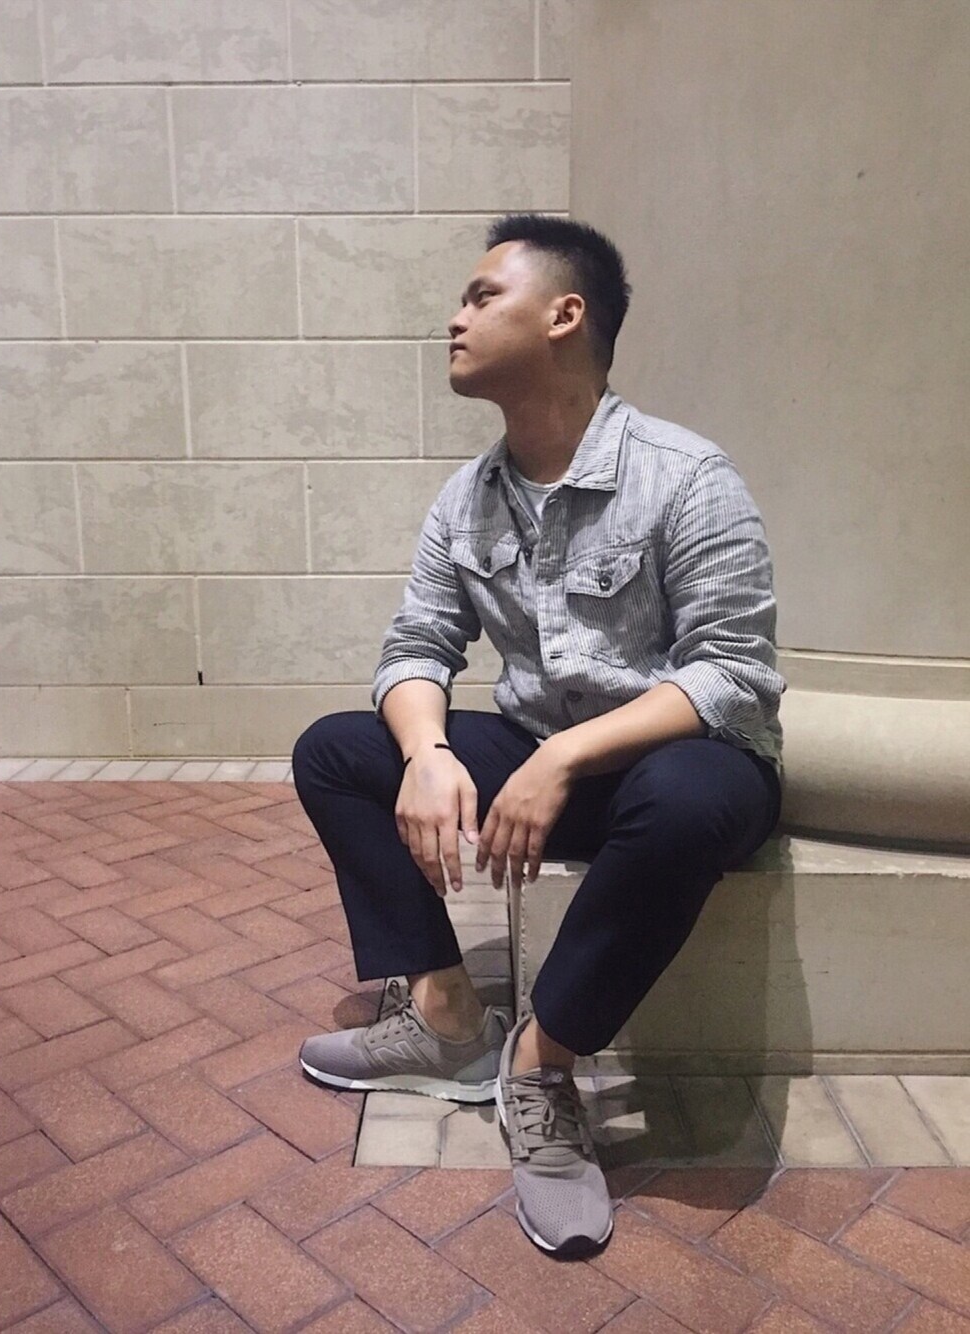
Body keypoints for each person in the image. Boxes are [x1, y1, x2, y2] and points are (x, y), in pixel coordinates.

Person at [292, 213, 784, 1259]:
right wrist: (427, 753)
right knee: (336, 749)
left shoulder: (686, 475)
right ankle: (447, 1020)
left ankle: (541, 1063)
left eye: (481, 296)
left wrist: (564, 755)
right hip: (537, 748)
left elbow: (731, 672)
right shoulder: (466, 501)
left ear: (564, 315)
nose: (454, 317)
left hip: (675, 765)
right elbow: (415, 645)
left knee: (690, 794)